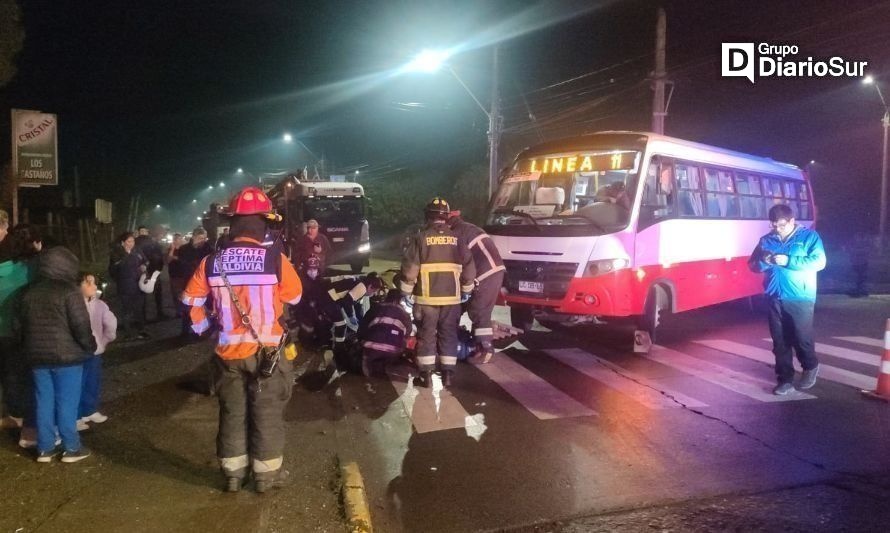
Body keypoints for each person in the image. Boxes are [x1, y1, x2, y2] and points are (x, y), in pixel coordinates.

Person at [182, 186, 302, 493]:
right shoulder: (276, 259)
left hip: (228, 354)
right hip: (268, 356)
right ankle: (265, 477)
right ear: (263, 223)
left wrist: (205, 328)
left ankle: (233, 475)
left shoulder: (212, 262)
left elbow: (191, 301)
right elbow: (295, 295)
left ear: (232, 223)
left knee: (233, 412)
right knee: (267, 413)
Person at [19, 246, 97, 463]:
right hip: (68, 359)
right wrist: (89, 346)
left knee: (43, 402)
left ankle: (44, 449)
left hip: (37, 359)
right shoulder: (69, 291)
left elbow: (20, 327)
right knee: (67, 403)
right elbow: (81, 326)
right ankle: (71, 447)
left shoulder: (28, 292)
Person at [748, 204, 826, 395]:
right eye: (774, 225)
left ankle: (810, 365)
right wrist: (763, 261)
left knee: (801, 338)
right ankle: (785, 380)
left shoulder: (809, 237)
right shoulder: (766, 240)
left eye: (781, 225)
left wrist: (788, 261)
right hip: (774, 296)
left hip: (800, 296)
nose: (777, 229)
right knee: (779, 342)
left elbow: (819, 262)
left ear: (792, 221)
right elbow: (752, 264)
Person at [400, 197, 475, 388]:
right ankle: (448, 375)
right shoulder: (458, 239)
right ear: (446, 217)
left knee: (427, 335)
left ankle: (425, 376)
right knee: (449, 334)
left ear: (428, 217)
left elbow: (410, 270)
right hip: (452, 300)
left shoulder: (420, 238)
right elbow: (469, 269)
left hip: (426, 299)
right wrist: (466, 290)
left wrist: (406, 292)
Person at [447, 210, 506, 364]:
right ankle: (476, 345)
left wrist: (464, 285)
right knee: (472, 308)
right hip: (492, 271)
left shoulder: (457, 234)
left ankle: (486, 349)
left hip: (485, 274)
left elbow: (463, 264)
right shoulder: (468, 228)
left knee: (479, 311)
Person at [0, 224, 38, 431]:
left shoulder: (8, 270)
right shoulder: (27, 271)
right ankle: (16, 414)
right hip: (14, 332)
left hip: (6, 330)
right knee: (14, 374)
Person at [78, 272, 117, 426]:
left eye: (94, 283)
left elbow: (111, 324)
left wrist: (105, 341)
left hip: (95, 352)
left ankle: (89, 409)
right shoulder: (74, 305)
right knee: (78, 384)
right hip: (79, 353)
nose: (94, 286)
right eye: (88, 283)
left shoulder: (100, 305)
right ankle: (76, 415)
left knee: (92, 381)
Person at [359, 288, 413, 378]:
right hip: (393, 351)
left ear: (387, 297)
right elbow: (408, 333)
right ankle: (387, 368)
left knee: (366, 358)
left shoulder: (375, 308)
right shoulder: (405, 314)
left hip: (371, 348)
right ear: (399, 300)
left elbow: (363, 327)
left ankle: (368, 375)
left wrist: (360, 340)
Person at [109, 232, 148, 340]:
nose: (132, 243)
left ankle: (141, 330)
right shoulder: (116, 254)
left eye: (133, 241)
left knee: (139, 309)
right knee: (126, 310)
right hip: (124, 286)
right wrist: (120, 278)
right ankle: (128, 333)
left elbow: (145, 261)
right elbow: (112, 271)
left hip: (138, 284)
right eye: (129, 241)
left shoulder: (137, 250)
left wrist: (144, 266)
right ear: (123, 243)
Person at [135, 226, 167, 321]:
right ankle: (144, 316)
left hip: (152, 270)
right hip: (144, 271)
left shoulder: (151, 242)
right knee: (144, 294)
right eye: (142, 231)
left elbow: (159, 255)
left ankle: (157, 313)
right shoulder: (137, 242)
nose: (144, 233)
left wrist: (159, 267)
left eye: (145, 231)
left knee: (156, 293)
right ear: (139, 232)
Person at [844, 231, 873, 298]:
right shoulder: (855, 243)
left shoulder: (864, 243)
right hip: (857, 262)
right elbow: (850, 250)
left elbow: (868, 250)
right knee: (859, 277)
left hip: (862, 262)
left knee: (861, 277)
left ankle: (860, 290)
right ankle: (859, 290)